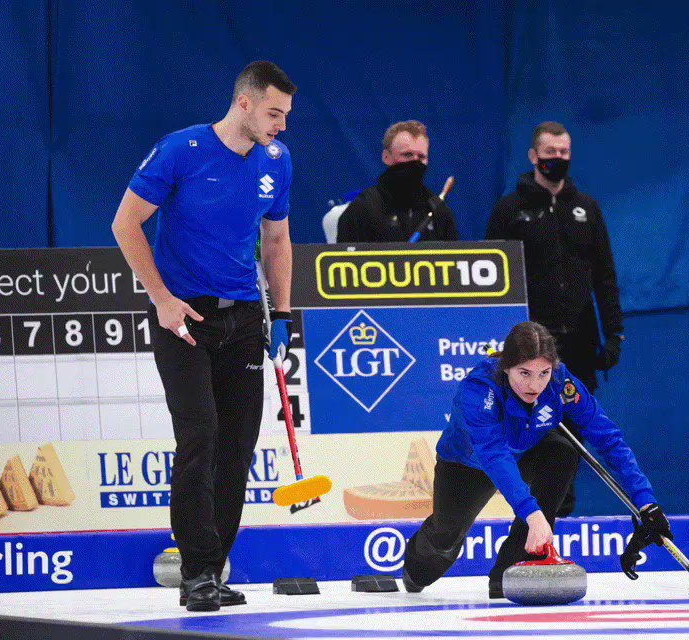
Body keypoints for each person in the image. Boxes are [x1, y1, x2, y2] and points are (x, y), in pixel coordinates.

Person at [111, 61, 296, 612]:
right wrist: (162, 299)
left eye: (286, 115)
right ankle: (194, 571)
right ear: (244, 103)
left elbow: (278, 238)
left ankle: (215, 570)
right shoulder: (181, 150)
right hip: (184, 320)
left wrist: (282, 316)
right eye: (274, 113)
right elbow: (126, 223)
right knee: (201, 439)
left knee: (237, 449)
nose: (281, 125)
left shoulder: (277, 161)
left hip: (244, 318)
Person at [402, 321, 669, 598]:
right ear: (506, 367)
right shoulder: (479, 389)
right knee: (441, 544)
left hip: (526, 452)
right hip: (469, 464)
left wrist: (646, 502)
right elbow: (493, 454)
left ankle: (513, 567)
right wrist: (531, 512)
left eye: (543, 373)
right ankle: (415, 570)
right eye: (524, 373)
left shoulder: (559, 384)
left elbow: (608, 438)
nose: (535, 385)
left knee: (563, 452)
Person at [486, 121, 625, 516]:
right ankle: (529, 510)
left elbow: (605, 275)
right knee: (528, 421)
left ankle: (562, 511)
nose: (557, 160)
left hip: (579, 339)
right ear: (533, 156)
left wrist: (613, 333)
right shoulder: (509, 210)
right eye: (549, 153)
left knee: (576, 423)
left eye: (564, 153)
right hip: (530, 345)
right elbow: (490, 278)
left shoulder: (587, 209)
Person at [336, 120, 459, 242]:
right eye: (407, 155)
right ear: (386, 157)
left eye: (421, 157)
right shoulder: (363, 208)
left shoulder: (439, 211)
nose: (415, 162)